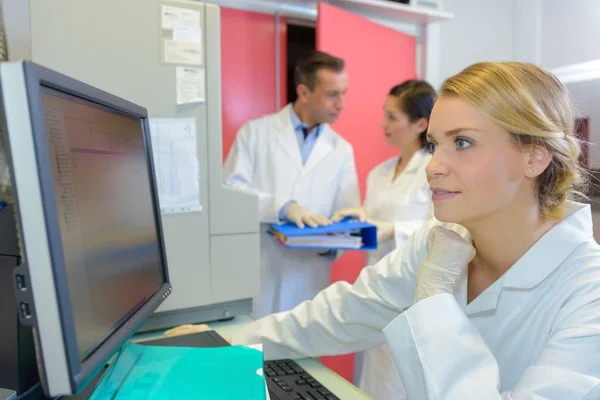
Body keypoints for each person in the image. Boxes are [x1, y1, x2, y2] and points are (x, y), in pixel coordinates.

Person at [232, 61, 600, 399]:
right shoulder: (440, 243)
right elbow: (341, 314)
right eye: (434, 145)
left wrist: (435, 299)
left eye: (463, 142)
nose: (433, 165)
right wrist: (230, 340)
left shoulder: (588, 293)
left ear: (533, 157)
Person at [223, 51, 360, 319]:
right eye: (332, 94)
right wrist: (282, 207)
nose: (341, 103)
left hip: (309, 280)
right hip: (259, 273)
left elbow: (348, 213)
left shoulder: (342, 150)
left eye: (344, 93)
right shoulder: (256, 133)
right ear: (304, 92)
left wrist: (329, 245)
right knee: (253, 351)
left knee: (300, 358)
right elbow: (230, 194)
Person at [331, 80, 435, 399]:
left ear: (420, 123)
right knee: (373, 380)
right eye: (384, 115)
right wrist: (357, 217)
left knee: (401, 381)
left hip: (414, 295)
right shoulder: (379, 172)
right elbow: (374, 219)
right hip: (377, 289)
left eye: (392, 117)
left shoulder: (434, 171)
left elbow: (442, 228)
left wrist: (392, 228)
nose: (382, 124)